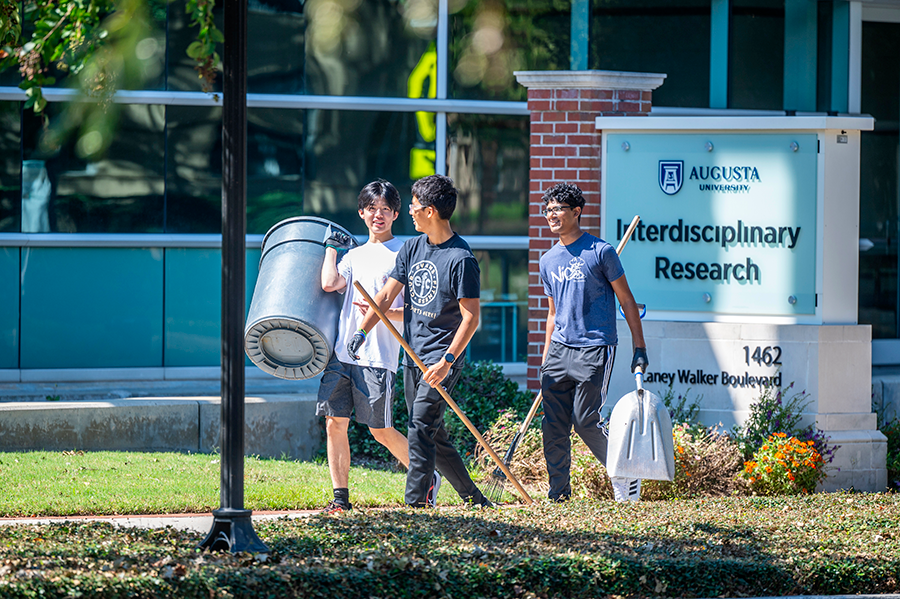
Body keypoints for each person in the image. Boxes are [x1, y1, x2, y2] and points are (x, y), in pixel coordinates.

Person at [347, 174, 492, 508]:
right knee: (433, 433)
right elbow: (384, 298)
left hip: (441, 360)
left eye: (413, 205)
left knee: (419, 429)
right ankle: (474, 498)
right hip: (412, 356)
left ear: (430, 211)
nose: (409, 210)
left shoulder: (461, 259)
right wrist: (361, 332)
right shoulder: (412, 248)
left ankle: (415, 506)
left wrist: (447, 362)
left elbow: (470, 317)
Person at [316, 179, 440, 513]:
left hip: (378, 356)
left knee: (380, 429)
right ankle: (340, 498)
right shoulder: (354, 255)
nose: (378, 215)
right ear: (361, 212)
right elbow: (330, 283)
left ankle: (426, 477)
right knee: (334, 423)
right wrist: (332, 248)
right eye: (372, 209)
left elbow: (419, 308)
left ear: (397, 213)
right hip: (342, 353)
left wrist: (383, 312)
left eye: (385, 209)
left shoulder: (406, 252)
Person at [538, 182, 649, 503]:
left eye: (558, 209)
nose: (551, 215)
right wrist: (547, 358)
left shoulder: (601, 252)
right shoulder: (547, 260)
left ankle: (624, 473)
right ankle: (558, 494)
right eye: (548, 210)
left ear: (576, 212)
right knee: (553, 425)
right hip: (560, 350)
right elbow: (552, 313)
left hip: (596, 346)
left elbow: (627, 301)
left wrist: (639, 348)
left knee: (585, 419)